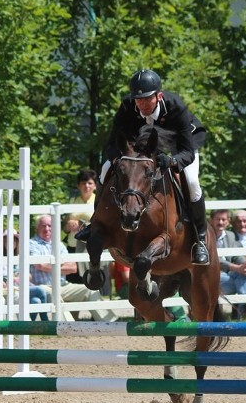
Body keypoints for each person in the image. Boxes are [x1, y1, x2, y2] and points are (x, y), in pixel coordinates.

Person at [76, 69, 210, 265]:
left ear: (159, 95)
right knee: (105, 170)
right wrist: (116, 159)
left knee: (191, 181)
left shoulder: (175, 108)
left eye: (147, 99)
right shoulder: (127, 107)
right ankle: (95, 222)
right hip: (140, 149)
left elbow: (187, 151)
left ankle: (200, 240)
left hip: (179, 146)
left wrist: (172, 161)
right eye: (138, 99)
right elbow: (113, 142)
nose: (143, 104)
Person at [30, 214, 117, 322]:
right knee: (53, 294)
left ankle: (110, 323)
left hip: (63, 285)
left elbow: (73, 267)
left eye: (50, 225)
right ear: (37, 228)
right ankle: (67, 326)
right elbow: (40, 265)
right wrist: (61, 265)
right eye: (43, 226)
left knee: (89, 291)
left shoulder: (59, 244)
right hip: (42, 286)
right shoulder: (31, 244)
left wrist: (49, 266)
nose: (47, 229)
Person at [211, 209, 246, 320]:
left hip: (231, 275)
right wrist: (237, 268)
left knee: (245, 274)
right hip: (214, 276)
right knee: (242, 278)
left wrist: (245, 265)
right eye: (218, 219)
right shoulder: (207, 235)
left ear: (228, 221)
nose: (220, 222)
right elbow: (215, 260)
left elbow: (238, 255)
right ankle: (245, 308)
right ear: (211, 220)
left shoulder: (230, 235)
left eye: (223, 219)